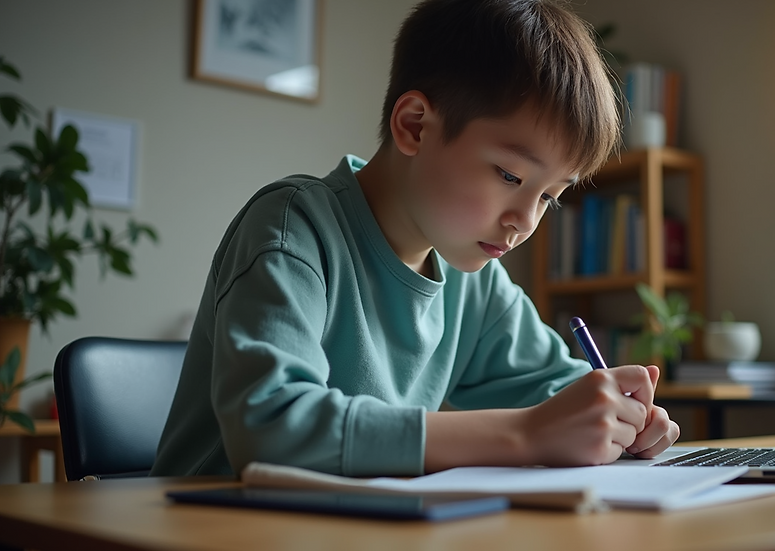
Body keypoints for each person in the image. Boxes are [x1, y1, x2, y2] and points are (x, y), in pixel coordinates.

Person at [151, 0, 680, 478]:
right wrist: (526, 434)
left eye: (549, 197)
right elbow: (270, 427)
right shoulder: (294, 228)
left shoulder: (474, 282)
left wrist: (621, 417)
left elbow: (563, 393)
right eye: (511, 177)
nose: (525, 220)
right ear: (415, 126)